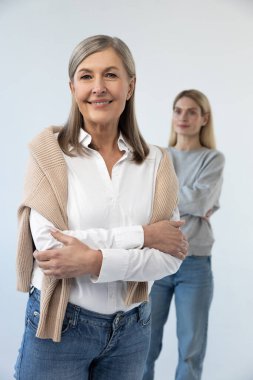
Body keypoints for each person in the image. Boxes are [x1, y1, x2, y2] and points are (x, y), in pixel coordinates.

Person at [14, 35, 189, 380]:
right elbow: (52, 251)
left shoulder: (157, 161)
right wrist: (143, 235)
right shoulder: (48, 153)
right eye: (86, 76)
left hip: (133, 330)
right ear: (72, 87)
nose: (98, 87)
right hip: (60, 325)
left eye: (110, 75)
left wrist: (94, 260)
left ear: (130, 86)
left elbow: (170, 255)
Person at [143, 89, 225, 380]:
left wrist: (168, 198)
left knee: (190, 350)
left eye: (191, 111)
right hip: (156, 260)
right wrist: (193, 199)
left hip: (195, 263)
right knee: (144, 348)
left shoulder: (213, 159)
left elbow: (201, 202)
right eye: (178, 110)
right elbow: (144, 201)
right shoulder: (158, 156)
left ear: (204, 118)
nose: (183, 117)